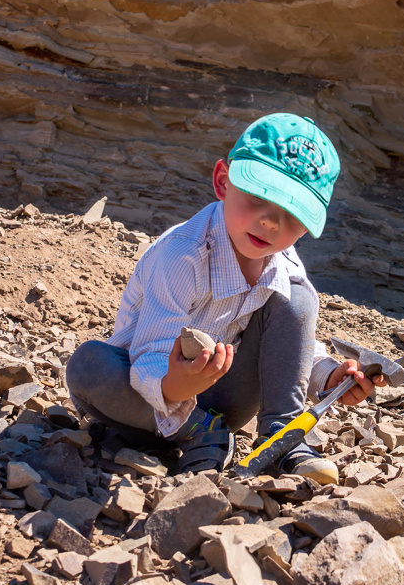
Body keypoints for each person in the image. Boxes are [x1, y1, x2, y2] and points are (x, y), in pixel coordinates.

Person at [65, 113, 384, 484]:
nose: (270, 223)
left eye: (292, 214)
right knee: (89, 363)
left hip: (222, 399)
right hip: (141, 402)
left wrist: (326, 374)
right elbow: (148, 354)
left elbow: (284, 340)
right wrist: (176, 385)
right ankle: (200, 432)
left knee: (298, 297)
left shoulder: (282, 260)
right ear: (223, 181)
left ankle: (282, 437)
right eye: (260, 197)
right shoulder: (182, 256)